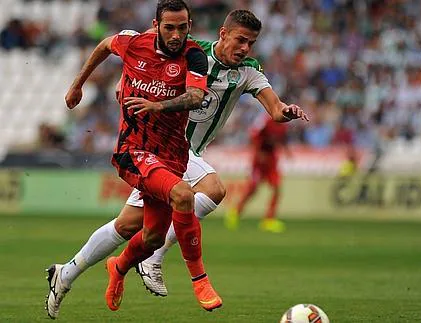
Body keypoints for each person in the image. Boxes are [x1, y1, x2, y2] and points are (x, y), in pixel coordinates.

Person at [45, 7, 308, 319]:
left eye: (251, 43)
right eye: (240, 40)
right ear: (223, 34)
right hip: (158, 149)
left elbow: (275, 109)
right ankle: (157, 260)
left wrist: (286, 111)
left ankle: (71, 272)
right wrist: (123, 81)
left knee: (129, 226)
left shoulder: (249, 72)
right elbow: (142, 57)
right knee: (213, 189)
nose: (245, 48)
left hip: (180, 156)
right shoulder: (190, 51)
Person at [47, 0, 214, 318]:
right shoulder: (134, 43)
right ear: (156, 25)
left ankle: (101, 269)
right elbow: (105, 44)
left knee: (149, 236)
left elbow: (196, 96)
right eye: (169, 28)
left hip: (171, 156)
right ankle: (199, 279)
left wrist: (158, 106)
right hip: (133, 152)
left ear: (189, 26)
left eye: (182, 27)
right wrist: (77, 85)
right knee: (185, 194)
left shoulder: (193, 56)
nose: (176, 34)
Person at [224, 114, 290, 233]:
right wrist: (258, 153)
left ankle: (269, 220)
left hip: (271, 160)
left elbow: (282, 139)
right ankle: (235, 212)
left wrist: (287, 151)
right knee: (253, 189)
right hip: (259, 161)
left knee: (277, 188)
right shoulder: (265, 121)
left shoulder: (284, 126)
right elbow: (254, 135)